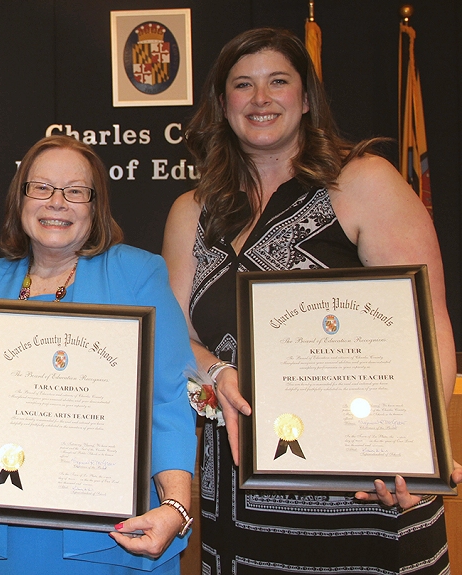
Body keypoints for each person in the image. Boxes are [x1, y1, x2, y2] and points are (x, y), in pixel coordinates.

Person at [161, 27, 462, 574]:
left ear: (305, 98)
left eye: (278, 81)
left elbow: (428, 325)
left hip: (364, 486)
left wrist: (420, 454)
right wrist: (217, 371)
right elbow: (175, 335)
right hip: (237, 490)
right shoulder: (191, 209)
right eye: (242, 85)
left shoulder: (364, 182)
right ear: (222, 104)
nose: (260, 99)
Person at [0, 135, 197, 574]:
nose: (56, 203)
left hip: (111, 534)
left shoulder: (136, 273)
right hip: (0, 528)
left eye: (75, 191)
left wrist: (176, 504)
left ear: (95, 207)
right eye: (41, 188)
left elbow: (168, 397)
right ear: (19, 199)